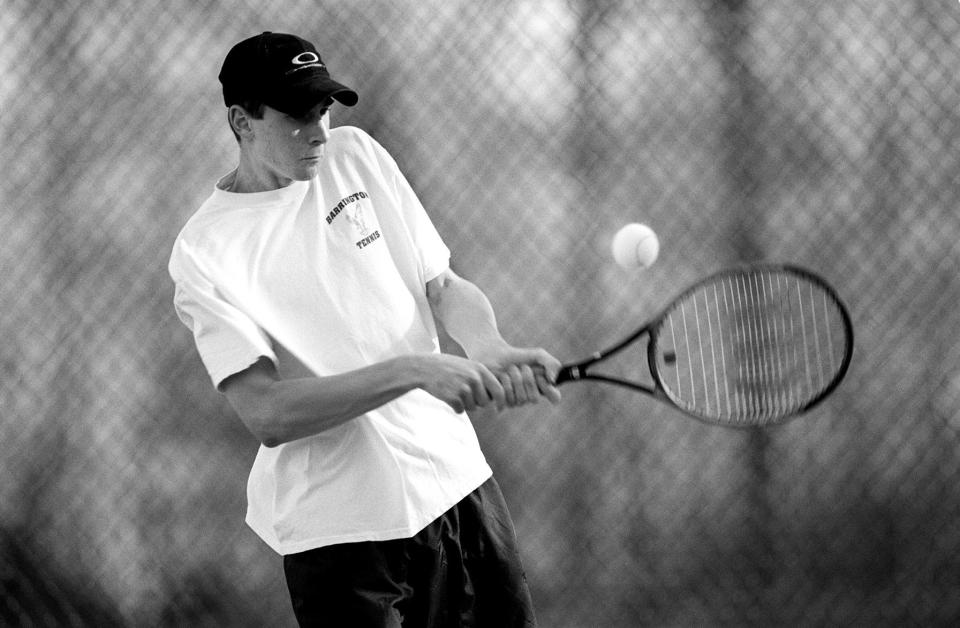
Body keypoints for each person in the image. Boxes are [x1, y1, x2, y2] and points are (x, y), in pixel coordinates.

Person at [168, 31, 561, 627]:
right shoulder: (205, 251)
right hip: (343, 537)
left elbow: (443, 285)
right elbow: (268, 414)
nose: (320, 132)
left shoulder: (356, 155)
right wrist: (413, 371)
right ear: (241, 121)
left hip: (460, 489)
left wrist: (489, 345)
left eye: (323, 109)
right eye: (298, 115)